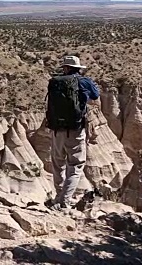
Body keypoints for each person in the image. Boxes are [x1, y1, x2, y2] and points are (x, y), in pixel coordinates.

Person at [45, 55, 100, 210]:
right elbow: (95, 95)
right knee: (75, 166)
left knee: (58, 165)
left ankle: (58, 197)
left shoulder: (55, 82)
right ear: (78, 68)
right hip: (75, 130)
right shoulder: (83, 81)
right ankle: (64, 201)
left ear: (65, 68)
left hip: (56, 130)